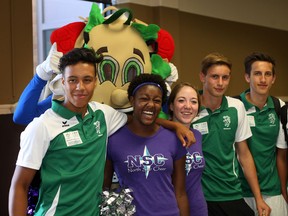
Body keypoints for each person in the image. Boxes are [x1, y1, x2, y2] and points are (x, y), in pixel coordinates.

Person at [9, 47, 129, 215]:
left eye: (87, 80)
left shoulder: (103, 114)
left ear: (95, 81)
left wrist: (174, 125)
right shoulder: (42, 126)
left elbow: (136, 121)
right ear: (63, 82)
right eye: (73, 80)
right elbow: (20, 186)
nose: (80, 87)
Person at [191, 52, 271, 216]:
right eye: (214, 77)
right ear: (202, 76)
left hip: (231, 192)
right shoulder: (189, 107)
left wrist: (258, 198)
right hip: (199, 196)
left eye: (225, 78)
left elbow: (244, 155)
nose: (220, 83)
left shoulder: (236, 107)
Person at [104, 74, 190, 216]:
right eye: (144, 98)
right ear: (132, 100)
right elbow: (104, 188)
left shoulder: (174, 139)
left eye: (156, 100)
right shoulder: (113, 139)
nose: (150, 104)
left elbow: (180, 194)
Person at [238, 52, 288, 215]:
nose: (263, 79)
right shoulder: (234, 107)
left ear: (273, 78)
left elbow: (281, 156)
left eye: (268, 74)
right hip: (240, 192)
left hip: (273, 192)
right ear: (247, 77)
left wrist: (283, 191)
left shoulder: (279, 107)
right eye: (257, 74)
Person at [168, 82, 208, 216]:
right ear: (171, 105)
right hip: (170, 209)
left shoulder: (197, 135)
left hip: (198, 207)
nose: (188, 106)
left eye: (194, 102)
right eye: (181, 101)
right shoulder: (160, 135)